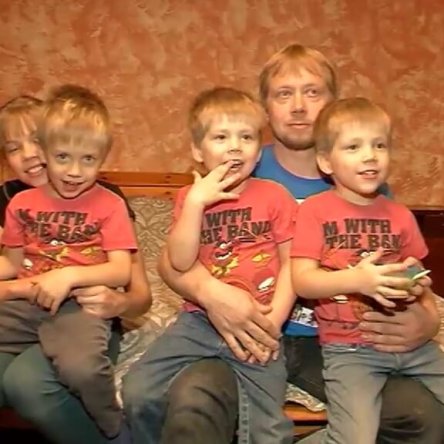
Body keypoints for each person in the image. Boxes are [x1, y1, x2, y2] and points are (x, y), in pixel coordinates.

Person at [157, 43, 444, 444]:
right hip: (244, 328)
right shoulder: (235, 163)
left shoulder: (365, 181)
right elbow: (170, 262)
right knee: (193, 403)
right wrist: (210, 293)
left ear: (332, 102)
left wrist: (428, 318)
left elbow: (402, 264)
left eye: (312, 92)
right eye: (283, 94)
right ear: (265, 108)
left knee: (423, 416)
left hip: (337, 343)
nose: (297, 107)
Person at [123, 87, 297, 444]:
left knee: (269, 430)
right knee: (137, 390)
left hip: (259, 323)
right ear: (197, 151)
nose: (235, 147)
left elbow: (292, 264)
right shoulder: (189, 198)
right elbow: (180, 261)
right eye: (221, 137)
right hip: (198, 322)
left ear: (258, 151)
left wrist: (272, 323)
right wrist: (195, 204)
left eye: (246, 137)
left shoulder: (275, 196)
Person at [291, 96, 444, 444]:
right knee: (355, 438)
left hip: (413, 347)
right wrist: (357, 280)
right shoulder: (315, 211)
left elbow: (416, 269)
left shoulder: (400, 214)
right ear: (325, 161)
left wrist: (414, 282)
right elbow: (302, 282)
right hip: (351, 352)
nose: (370, 156)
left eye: (379, 145)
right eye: (354, 147)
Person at [0, 94, 151, 444]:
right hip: (26, 307)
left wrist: (69, 277)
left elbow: (127, 278)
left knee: (65, 372)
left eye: (87, 159)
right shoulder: (17, 202)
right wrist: (22, 285)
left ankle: (115, 430)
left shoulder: (108, 202)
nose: (73, 170)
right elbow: (11, 263)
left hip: (79, 309)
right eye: (13, 147)